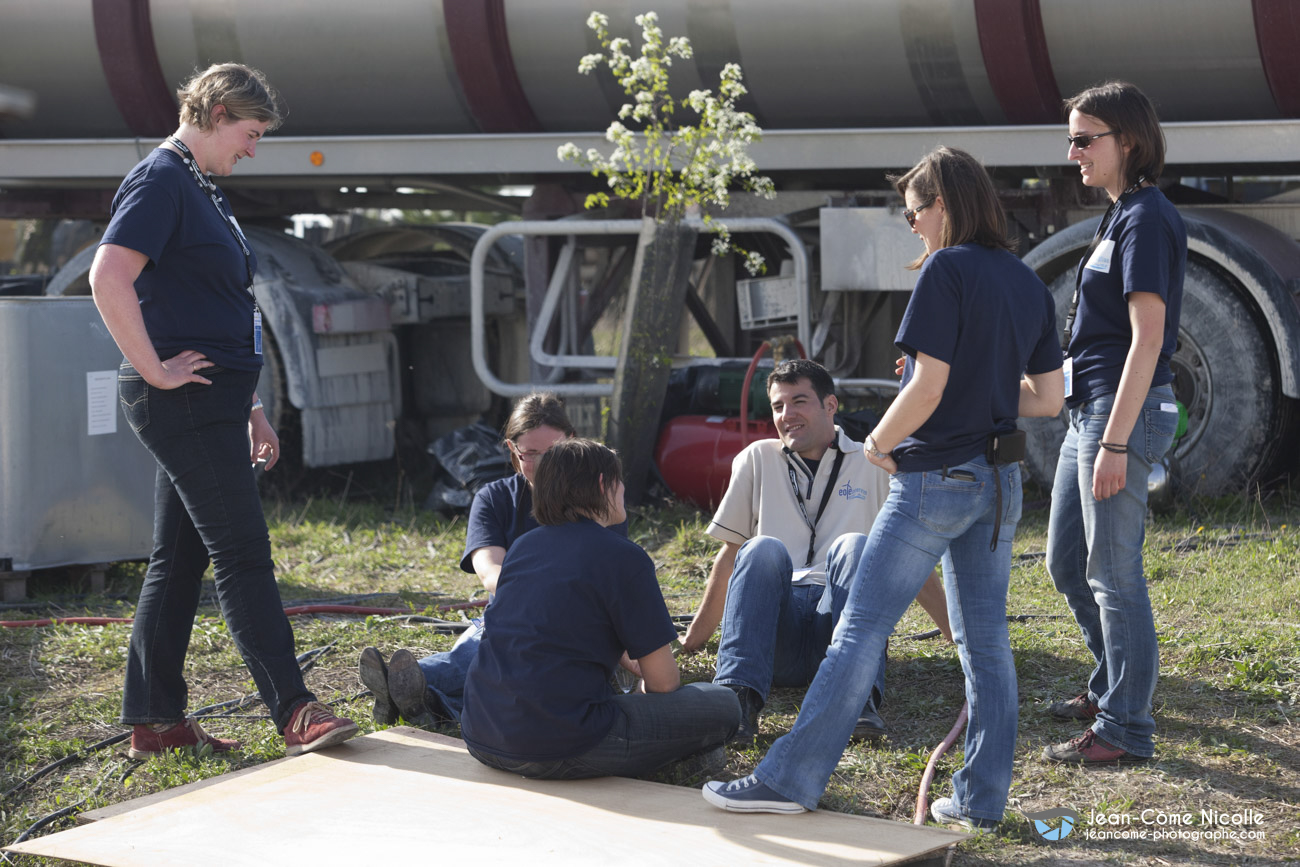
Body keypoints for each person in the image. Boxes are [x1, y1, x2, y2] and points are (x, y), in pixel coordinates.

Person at [702, 146, 1063, 830]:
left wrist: (876, 443)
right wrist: (982, 386)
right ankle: (983, 799)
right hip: (1000, 482)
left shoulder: (945, 270)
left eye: (914, 211)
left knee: (859, 629)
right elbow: (1046, 400)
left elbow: (926, 386)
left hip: (935, 480)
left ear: (944, 206)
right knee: (985, 644)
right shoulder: (1026, 281)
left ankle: (788, 777)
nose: (912, 226)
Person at [90, 63, 357, 758]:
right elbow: (107, 274)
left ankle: (155, 720)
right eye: (250, 132)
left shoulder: (198, 184)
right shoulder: (161, 179)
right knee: (242, 553)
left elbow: (218, 308)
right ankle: (296, 709)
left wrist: (254, 405)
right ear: (212, 111)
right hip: (182, 400)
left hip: (216, 399)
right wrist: (153, 368)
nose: (252, 148)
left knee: (177, 560)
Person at [681, 359, 953, 744]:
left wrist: (955, 635)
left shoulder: (873, 461)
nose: (786, 415)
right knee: (761, 548)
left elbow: (908, 557)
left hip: (839, 626)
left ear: (830, 405)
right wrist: (694, 638)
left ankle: (857, 702)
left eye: (799, 401)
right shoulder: (756, 458)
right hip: (776, 634)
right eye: (777, 406)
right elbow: (730, 556)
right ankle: (737, 702)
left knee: (856, 546)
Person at [1042, 81, 1184, 765]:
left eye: (1084, 138)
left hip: (1118, 415)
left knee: (1112, 571)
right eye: (1070, 138)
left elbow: (1148, 337)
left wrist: (1117, 441)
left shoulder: (1146, 217)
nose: (1073, 152)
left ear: (1127, 140)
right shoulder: (1119, 213)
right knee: (1067, 561)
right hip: (1088, 413)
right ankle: (1112, 686)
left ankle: (1127, 726)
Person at [460, 439, 740, 779]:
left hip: (481, 735)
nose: (624, 489)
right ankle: (677, 760)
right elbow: (664, 683)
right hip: (565, 746)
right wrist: (645, 697)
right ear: (601, 485)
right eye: (619, 480)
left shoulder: (522, 547)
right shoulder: (625, 557)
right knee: (723, 703)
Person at [359, 392, 628, 726]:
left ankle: (407, 688)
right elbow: (490, 571)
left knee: (498, 660)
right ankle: (422, 700)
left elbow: (612, 577)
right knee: (484, 647)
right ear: (512, 450)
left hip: (577, 624)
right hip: (509, 616)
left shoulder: (600, 501)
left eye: (553, 452)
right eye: (531, 453)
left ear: (572, 443)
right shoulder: (494, 498)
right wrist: (532, 604)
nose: (544, 464)